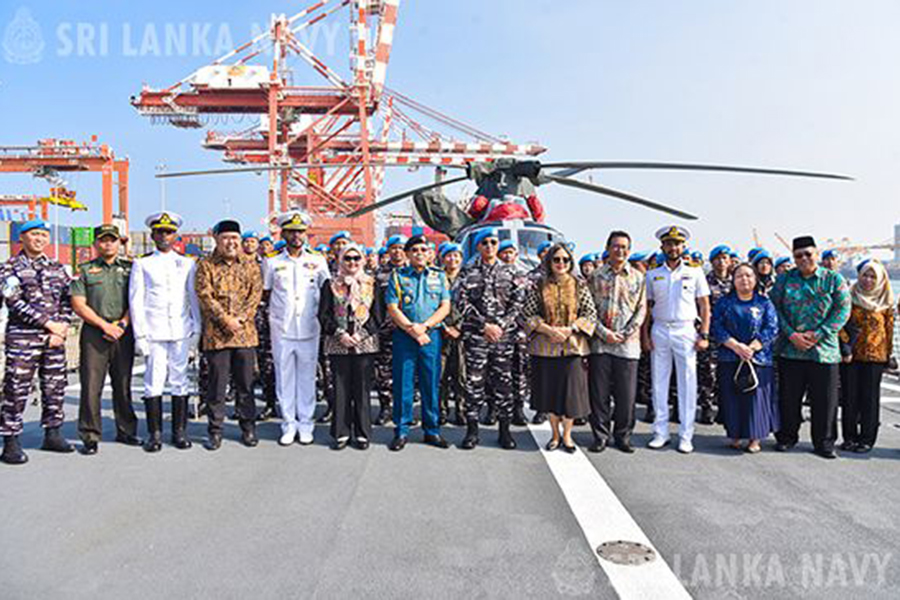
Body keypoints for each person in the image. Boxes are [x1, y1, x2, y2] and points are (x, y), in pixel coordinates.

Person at [0, 220, 74, 464]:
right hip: (23, 338)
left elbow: (67, 300)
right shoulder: (9, 268)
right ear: (22, 238)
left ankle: (53, 434)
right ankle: (10, 441)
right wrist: (49, 324)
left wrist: (61, 329)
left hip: (54, 339)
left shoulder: (57, 268)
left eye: (43, 234)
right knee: (16, 388)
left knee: (55, 386)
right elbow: (14, 302)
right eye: (34, 234)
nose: (39, 239)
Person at [770, 236, 851, 459]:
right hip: (791, 348)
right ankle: (787, 437)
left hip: (824, 351)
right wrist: (791, 334)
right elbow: (774, 308)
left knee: (826, 401)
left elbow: (843, 310)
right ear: (793, 258)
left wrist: (819, 333)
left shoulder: (833, 279)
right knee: (789, 398)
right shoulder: (784, 279)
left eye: (808, 254)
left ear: (817, 254)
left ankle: (824, 443)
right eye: (798, 255)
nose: (804, 258)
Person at [130, 211, 201, 453]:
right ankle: (155, 434)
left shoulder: (187, 263)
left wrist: (197, 330)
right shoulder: (142, 263)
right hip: (154, 331)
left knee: (180, 381)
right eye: (159, 232)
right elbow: (136, 301)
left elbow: (192, 298)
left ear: (175, 236)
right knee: (154, 381)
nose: (164, 236)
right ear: (152, 235)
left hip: (180, 330)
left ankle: (179, 432)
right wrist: (140, 335)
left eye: (169, 232)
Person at [71, 224, 141, 455]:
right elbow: (78, 304)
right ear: (95, 244)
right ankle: (90, 435)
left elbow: (137, 300)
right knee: (91, 385)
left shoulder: (131, 269)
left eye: (112, 239)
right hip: (95, 332)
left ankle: (127, 430)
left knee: (123, 383)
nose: (108, 244)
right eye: (103, 240)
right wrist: (104, 325)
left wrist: (122, 324)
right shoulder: (84, 270)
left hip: (123, 331)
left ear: (119, 243)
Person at [195, 219, 264, 450]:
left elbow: (255, 296)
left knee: (245, 385)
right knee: (217, 386)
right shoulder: (205, 265)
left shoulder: (251, 265)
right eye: (225, 238)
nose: (231, 242)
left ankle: (248, 428)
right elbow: (204, 295)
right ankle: (215, 431)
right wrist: (225, 319)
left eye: (234, 238)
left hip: (244, 334)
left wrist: (240, 319)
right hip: (217, 336)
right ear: (216, 239)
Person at [642, 225, 711, 454]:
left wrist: (704, 334)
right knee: (659, 383)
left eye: (677, 243)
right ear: (662, 246)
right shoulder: (652, 274)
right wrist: (645, 335)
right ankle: (660, 432)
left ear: (684, 246)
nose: (673, 247)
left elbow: (704, 306)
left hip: (685, 330)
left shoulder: (695, 272)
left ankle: (685, 435)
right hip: (660, 328)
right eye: (669, 243)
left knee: (687, 383)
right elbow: (647, 308)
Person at [264, 211, 330, 446]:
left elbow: (326, 293)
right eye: (291, 231)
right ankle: (288, 423)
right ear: (283, 233)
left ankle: (306, 424)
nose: (296, 236)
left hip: (309, 327)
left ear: (305, 234)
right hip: (282, 328)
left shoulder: (318, 260)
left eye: (300, 231)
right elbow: (266, 292)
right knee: (284, 377)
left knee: (307, 377)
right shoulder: (272, 261)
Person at [522, 243, 597, 452]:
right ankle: (555, 435)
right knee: (550, 395)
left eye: (565, 259)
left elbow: (590, 313)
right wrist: (547, 329)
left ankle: (567, 436)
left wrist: (570, 329)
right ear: (549, 262)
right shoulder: (539, 285)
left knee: (570, 396)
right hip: (546, 349)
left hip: (572, 347)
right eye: (556, 259)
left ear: (571, 262)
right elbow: (527, 314)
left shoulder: (579, 285)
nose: (561, 263)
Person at [457, 228, 525, 450]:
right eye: (484, 242)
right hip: (477, 338)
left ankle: (505, 432)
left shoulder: (512, 272)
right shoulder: (467, 273)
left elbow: (518, 303)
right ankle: (472, 431)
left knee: (504, 384)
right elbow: (461, 302)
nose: (489, 246)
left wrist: (501, 325)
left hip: (503, 340)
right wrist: (484, 325)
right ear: (478, 246)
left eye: (493, 242)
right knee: (473, 384)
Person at [384, 235, 452, 451]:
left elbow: (445, 306)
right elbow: (393, 307)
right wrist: (412, 330)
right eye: (415, 250)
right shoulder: (398, 276)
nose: (419, 253)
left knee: (430, 384)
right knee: (403, 384)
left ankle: (431, 430)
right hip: (405, 337)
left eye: (423, 249)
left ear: (429, 253)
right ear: (408, 254)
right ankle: (401, 431)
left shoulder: (439, 276)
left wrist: (425, 326)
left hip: (430, 336)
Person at [318, 244, 384, 450]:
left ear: (362, 260)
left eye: (356, 258)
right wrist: (340, 334)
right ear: (340, 260)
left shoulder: (372, 283)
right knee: (341, 389)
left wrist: (360, 335)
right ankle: (341, 432)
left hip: (365, 344)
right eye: (347, 258)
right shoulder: (330, 284)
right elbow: (324, 314)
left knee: (362, 390)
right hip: (338, 343)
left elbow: (378, 315)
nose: (352, 262)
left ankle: (363, 433)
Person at [587, 231, 646, 454]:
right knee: (599, 395)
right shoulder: (595, 276)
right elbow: (588, 309)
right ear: (608, 248)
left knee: (626, 396)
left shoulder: (638, 277)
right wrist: (604, 333)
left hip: (627, 346)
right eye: (615, 246)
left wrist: (626, 333)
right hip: (600, 344)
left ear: (629, 250)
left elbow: (641, 309)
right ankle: (600, 436)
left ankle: (623, 436)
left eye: (624, 247)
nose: (620, 250)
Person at [712, 263, 780, 453]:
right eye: (739, 276)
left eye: (749, 275)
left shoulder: (764, 303)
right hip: (730, 356)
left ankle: (754, 439)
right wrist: (736, 346)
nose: (744, 279)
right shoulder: (724, 302)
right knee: (732, 398)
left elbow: (772, 328)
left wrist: (752, 347)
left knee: (756, 399)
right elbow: (717, 326)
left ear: (756, 279)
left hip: (758, 358)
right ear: (733, 280)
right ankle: (734, 435)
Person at [839, 259, 894, 453]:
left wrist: (888, 355)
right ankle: (849, 438)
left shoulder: (885, 303)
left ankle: (867, 439)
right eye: (864, 275)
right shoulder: (849, 298)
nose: (868, 280)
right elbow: (840, 324)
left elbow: (889, 331)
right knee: (849, 398)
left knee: (870, 399)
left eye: (873, 277)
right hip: (851, 356)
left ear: (880, 280)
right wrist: (845, 347)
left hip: (875, 358)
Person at [373, 234, 408, 426]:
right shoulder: (378, 275)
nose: (398, 251)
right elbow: (373, 304)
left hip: (409, 330)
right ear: (388, 251)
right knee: (384, 372)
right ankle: (385, 407)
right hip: (386, 331)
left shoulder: (414, 272)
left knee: (407, 371)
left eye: (401, 248)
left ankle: (404, 410)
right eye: (394, 248)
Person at [438, 243, 466, 425]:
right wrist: (443, 327)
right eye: (449, 255)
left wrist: (459, 328)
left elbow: (475, 306)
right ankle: (441, 410)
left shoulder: (468, 278)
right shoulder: (436, 278)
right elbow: (430, 305)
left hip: (462, 335)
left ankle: (461, 409)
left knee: (461, 375)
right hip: (440, 332)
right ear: (442, 258)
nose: (452, 259)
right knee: (440, 375)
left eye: (456, 255)